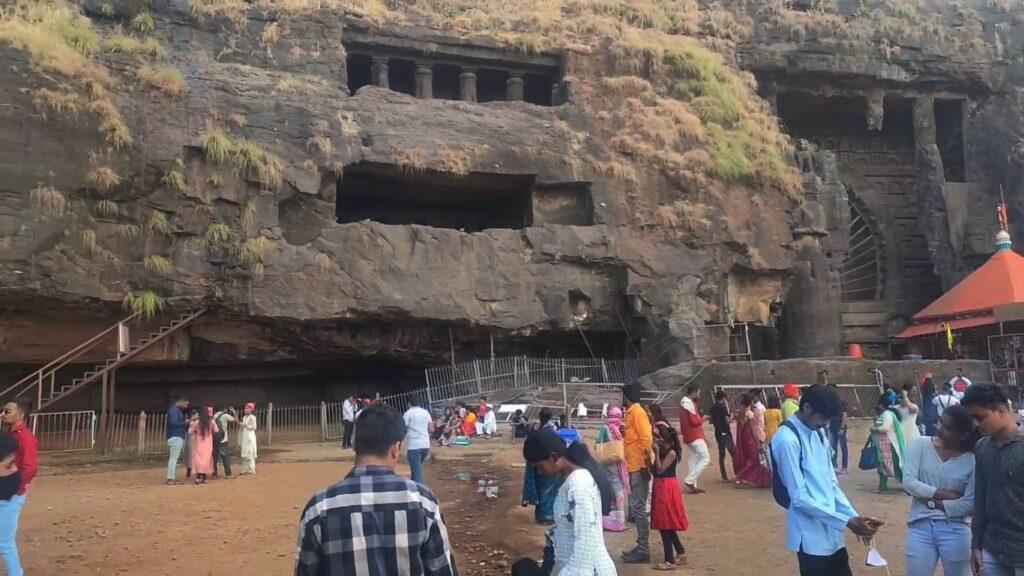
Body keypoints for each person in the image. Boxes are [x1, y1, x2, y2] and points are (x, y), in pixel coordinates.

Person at [295, 403, 457, 576]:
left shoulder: (319, 507)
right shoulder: (424, 502)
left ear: (354, 444)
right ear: (396, 449)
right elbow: (443, 569)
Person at [771, 384, 882, 576]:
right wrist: (846, 521)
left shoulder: (819, 432)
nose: (824, 424)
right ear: (806, 407)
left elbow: (831, 483)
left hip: (833, 533)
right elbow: (799, 497)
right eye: (822, 418)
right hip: (810, 536)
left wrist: (853, 517)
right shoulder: (787, 439)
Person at [523, 430, 617, 576]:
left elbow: (586, 540)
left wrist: (571, 573)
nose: (540, 472)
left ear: (553, 457)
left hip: (588, 569)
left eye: (540, 467)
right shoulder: (571, 480)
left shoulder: (579, 485)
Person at [902, 406, 978, 576]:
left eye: (947, 428)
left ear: (963, 435)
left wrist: (928, 500)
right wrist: (944, 495)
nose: (939, 428)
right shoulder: (920, 445)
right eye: (940, 422)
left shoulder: (973, 460)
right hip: (920, 525)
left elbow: (969, 504)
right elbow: (908, 482)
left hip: (957, 528)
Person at [962, 383, 1024, 576]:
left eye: (980, 417)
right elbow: (980, 498)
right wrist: (976, 545)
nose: (975, 424)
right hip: (993, 547)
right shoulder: (982, 447)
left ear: (1001, 411)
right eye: (971, 418)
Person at [0, 400, 37, 576]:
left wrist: (14, 487)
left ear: (20, 415)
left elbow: (30, 467)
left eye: (7, 411)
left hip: (11, 495)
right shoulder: (9, 435)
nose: (2, 414)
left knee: (5, 543)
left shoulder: (25, 437)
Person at [650, 422, 689, 571]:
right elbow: (655, 471)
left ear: (663, 439)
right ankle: (680, 552)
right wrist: (649, 461)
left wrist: (656, 454)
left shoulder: (671, 452)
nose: (655, 442)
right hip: (661, 486)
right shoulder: (663, 448)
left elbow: (660, 470)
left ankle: (669, 559)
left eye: (657, 439)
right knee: (665, 522)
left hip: (667, 487)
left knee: (664, 524)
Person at [621, 382, 654, 564]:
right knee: (637, 508)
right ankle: (641, 546)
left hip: (639, 467)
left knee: (639, 508)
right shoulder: (632, 413)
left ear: (627, 397)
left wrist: (644, 465)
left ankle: (643, 549)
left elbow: (646, 439)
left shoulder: (638, 412)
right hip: (634, 465)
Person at [595, 406, 629, 532]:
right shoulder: (622, 427)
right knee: (618, 490)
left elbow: (598, 442)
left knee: (607, 490)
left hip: (607, 463)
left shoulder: (605, 428)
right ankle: (620, 522)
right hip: (620, 464)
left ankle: (608, 521)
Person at [522, 408, 559, 523]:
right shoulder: (551, 430)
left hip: (535, 464)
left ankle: (539, 515)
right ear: (550, 417)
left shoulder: (533, 428)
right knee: (548, 489)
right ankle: (547, 515)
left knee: (539, 489)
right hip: (547, 464)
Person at [732, 394, 771, 488]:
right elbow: (753, 429)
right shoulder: (750, 414)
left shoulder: (741, 413)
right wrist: (758, 442)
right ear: (751, 402)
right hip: (750, 439)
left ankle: (744, 477)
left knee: (748, 459)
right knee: (754, 460)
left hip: (744, 439)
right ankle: (741, 476)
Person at [872, 393, 907, 493]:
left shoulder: (887, 415)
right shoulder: (885, 414)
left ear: (882, 405)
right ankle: (882, 486)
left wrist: (874, 429)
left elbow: (885, 428)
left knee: (895, 465)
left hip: (888, 444)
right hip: (882, 445)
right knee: (882, 465)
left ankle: (907, 485)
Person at [677, 384, 709, 495]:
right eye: (698, 393)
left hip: (688, 436)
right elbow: (694, 421)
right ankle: (690, 480)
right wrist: (703, 419)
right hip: (694, 435)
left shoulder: (683, 402)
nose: (698, 395)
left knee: (693, 459)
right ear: (694, 392)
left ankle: (692, 484)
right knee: (705, 458)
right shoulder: (690, 403)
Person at [403, 396, 434, 485]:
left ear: (409, 403)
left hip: (414, 446)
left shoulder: (408, 413)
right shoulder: (426, 412)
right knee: (416, 469)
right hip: (425, 445)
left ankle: (419, 493)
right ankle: (414, 489)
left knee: (416, 471)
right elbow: (431, 429)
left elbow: (402, 429)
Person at [709, 391, 735, 482]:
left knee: (721, 455)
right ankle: (737, 473)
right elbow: (727, 421)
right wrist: (731, 416)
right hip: (725, 433)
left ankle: (724, 476)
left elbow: (710, 421)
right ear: (723, 398)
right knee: (733, 453)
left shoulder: (712, 408)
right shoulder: (723, 408)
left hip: (718, 433)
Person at [188, 407, 219, 485]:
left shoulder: (196, 422)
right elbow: (216, 430)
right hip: (208, 441)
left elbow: (189, 432)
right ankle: (204, 477)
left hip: (199, 441)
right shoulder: (211, 421)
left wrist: (193, 427)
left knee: (198, 458)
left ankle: (198, 477)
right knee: (206, 458)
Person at [165, 395, 189, 485]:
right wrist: (185, 422)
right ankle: (171, 478)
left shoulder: (175, 410)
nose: (186, 407)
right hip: (175, 436)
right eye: (186, 404)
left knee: (174, 458)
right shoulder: (174, 410)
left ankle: (171, 477)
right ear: (182, 401)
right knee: (173, 458)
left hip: (175, 436)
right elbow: (174, 423)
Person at [827, 383, 849, 474]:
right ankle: (834, 465)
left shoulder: (841, 402)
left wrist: (842, 427)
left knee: (843, 447)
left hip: (840, 427)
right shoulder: (829, 402)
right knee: (833, 447)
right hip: (832, 427)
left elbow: (844, 415)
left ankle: (844, 467)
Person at [212, 406, 236, 479]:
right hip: (223, 439)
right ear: (225, 409)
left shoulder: (214, 416)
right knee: (225, 457)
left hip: (215, 439)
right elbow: (236, 420)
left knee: (215, 457)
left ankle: (215, 474)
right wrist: (234, 412)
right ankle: (228, 474)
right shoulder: (225, 416)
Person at [238, 402, 258, 475]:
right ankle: (245, 468)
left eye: (247, 408)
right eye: (245, 408)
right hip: (245, 436)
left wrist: (246, 425)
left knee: (250, 453)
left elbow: (254, 427)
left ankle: (251, 469)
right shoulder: (244, 417)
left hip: (250, 437)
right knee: (245, 452)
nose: (245, 410)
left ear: (251, 410)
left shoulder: (252, 417)